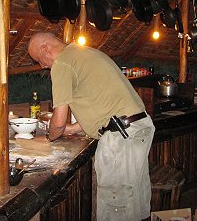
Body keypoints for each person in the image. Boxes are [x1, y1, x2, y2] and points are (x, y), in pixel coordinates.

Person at [28, 32, 155, 221]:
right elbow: (104, 102)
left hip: (120, 137)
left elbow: (59, 118)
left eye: (39, 60)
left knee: (117, 207)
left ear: (45, 48)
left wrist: (49, 136)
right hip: (138, 127)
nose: (42, 66)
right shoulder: (87, 53)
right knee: (134, 201)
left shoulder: (62, 64)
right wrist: (73, 129)